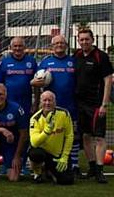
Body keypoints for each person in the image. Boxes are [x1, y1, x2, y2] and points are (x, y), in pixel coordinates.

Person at [30, 35, 81, 177]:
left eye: (62, 43)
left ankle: (74, 164)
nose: (59, 45)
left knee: (73, 135)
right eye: (56, 43)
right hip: (50, 106)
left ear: (66, 45)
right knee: (49, 133)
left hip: (71, 104)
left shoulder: (73, 62)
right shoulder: (46, 62)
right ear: (51, 46)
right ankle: (45, 163)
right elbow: (35, 81)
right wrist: (35, 85)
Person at [73, 28, 112, 183]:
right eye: (81, 39)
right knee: (85, 136)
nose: (84, 42)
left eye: (86, 39)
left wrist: (104, 104)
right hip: (80, 104)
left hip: (96, 104)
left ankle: (100, 171)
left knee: (99, 137)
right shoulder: (76, 55)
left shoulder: (100, 56)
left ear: (92, 40)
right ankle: (92, 167)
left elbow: (108, 80)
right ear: (78, 41)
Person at [29, 91, 74, 185]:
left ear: (55, 102)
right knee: (35, 153)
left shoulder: (64, 114)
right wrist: (47, 131)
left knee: (67, 180)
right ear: (41, 102)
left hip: (58, 154)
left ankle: (49, 170)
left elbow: (69, 136)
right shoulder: (35, 118)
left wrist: (64, 156)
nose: (47, 103)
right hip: (43, 152)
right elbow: (34, 142)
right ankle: (38, 173)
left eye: (50, 100)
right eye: (44, 100)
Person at [0, 37, 37, 115]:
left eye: (20, 46)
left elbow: (37, 85)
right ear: (11, 48)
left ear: (24, 47)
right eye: (15, 46)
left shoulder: (31, 61)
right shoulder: (4, 62)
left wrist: (35, 103)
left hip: (26, 102)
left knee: (24, 125)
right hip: (8, 102)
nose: (17, 48)